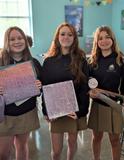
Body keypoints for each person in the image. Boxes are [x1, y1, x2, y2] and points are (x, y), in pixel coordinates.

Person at [41, 22, 89, 160]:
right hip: (56, 112)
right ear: (57, 37)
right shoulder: (49, 61)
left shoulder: (81, 60)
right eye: (63, 34)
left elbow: (84, 88)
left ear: (74, 38)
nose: (66, 37)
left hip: (73, 110)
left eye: (70, 34)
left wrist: (80, 111)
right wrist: (46, 111)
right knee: (56, 150)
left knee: (72, 144)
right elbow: (45, 88)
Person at [87, 26, 124, 160]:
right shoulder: (92, 62)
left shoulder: (122, 60)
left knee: (114, 140)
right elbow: (86, 82)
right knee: (96, 137)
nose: (104, 41)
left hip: (115, 106)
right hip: (97, 106)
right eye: (100, 38)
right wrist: (89, 92)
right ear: (96, 42)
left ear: (112, 39)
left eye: (107, 37)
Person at [0, 26, 42, 160]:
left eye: (20, 38)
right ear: (7, 42)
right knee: (3, 153)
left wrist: (38, 86)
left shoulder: (34, 63)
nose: (17, 42)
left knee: (22, 146)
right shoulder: (0, 61)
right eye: (12, 39)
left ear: (25, 40)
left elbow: (42, 87)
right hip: (5, 115)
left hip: (27, 112)